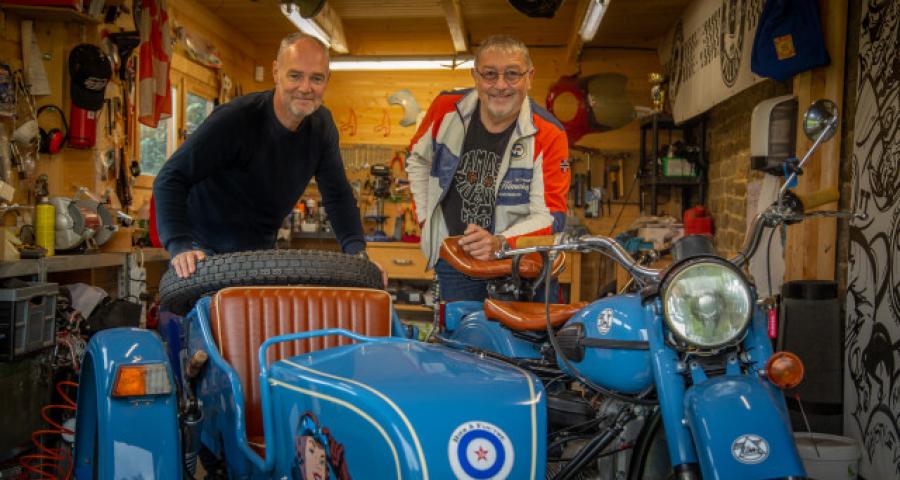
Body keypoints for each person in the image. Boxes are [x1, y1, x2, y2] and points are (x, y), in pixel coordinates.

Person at [154, 32, 382, 282]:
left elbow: (338, 195)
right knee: (214, 308)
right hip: (202, 250)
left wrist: (358, 255)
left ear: (327, 79)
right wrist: (180, 245)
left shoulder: (322, 127)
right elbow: (170, 177)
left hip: (258, 253)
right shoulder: (235, 120)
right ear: (276, 72)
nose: (305, 88)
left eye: (316, 78)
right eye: (295, 76)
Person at [406, 35, 570, 302]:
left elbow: (551, 217)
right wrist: (426, 221)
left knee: (526, 332)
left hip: (521, 265)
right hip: (456, 261)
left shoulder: (549, 133)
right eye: (490, 74)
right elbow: (417, 159)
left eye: (513, 74)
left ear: (530, 77)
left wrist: (501, 243)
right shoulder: (446, 109)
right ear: (475, 76)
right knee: (458, 330)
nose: (501, 85)